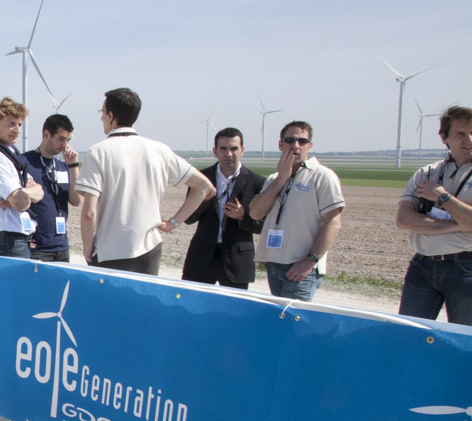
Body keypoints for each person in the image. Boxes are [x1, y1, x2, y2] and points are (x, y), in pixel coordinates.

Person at [75, 88, 214, 274]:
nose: (101, 118)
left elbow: (89, 213)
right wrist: (173, 223)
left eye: (102, 112)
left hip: (110, 251)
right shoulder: (159, 150)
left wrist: (87, 248)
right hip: (149, 249)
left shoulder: (98, 152)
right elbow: (204, 186)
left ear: (111, 115)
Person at [249, 120, 344, 301]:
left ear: (310, 146)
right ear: (281, 144)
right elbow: (255, 213)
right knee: (280, 319)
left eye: (302, 141)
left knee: (293, 321)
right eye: (290, 140)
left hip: (300, 268)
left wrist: (310, 261)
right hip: (274, 264)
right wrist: (281, 179)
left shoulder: (322, 176)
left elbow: (333, 222)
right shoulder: (273, 179)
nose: (296, 146)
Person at [396, 105, 472, 324]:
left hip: (465, 268)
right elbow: (404, 220)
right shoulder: (427, 173)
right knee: (410, 334)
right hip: (422, 267)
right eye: (460, 134)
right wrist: (459, 224)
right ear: (444, 137)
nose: (468, 139)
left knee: (464, 340)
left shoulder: (430, 182)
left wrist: (443, 197)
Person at [181, 127, 265, 289]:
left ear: (242, 150)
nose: (228, 154)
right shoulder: (201, 178)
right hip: (202, 257)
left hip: (236, 260)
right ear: (215, 151)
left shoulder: (256, 182)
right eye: (223, 148)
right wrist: (203, 200)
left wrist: (242, 216)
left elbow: (262, 225)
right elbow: (189, 219)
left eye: (234, 148)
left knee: (234, 311)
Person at [0, 97, 45, 258]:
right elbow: (20, 203)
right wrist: (23, 193)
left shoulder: (11, 154)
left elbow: (39, 191)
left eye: (19, 124)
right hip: (7, 240)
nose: (17, 130)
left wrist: (22, 192)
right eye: (11, 124)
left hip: (15, 239)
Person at [22, 114, 83, 262]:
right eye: (61, 139)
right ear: (46, 134)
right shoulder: (24, 162)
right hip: (37, 248)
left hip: (61, 247)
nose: (65, 145)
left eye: (68, 140)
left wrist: (73, 166)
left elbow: (76, 200)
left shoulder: (63, 166)